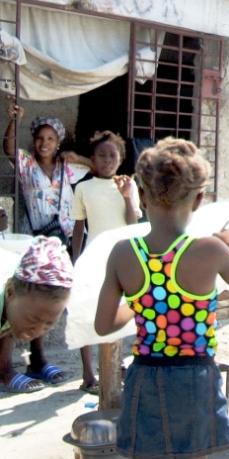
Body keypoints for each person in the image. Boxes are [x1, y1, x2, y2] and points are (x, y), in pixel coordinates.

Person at [94, 137, 229, 459]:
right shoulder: (211, 250)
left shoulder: (123, 253)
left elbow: (103, 326)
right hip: (195, 379)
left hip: (145, 378)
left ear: (141, 196)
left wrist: (141, 301)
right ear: (198, 199)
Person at [70, 131, 142, 395]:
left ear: (121, 158)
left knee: (119, 312)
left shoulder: (128, 185)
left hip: (122, 258)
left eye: (113, 155)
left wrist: (125, 195)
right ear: (92, 159)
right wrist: (75, 261)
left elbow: (132, 224)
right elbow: (78, 228)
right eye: (101, 155)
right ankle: (88, 373)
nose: (107, 159)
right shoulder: (83, 188)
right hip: (93, 258)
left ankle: (115, 364)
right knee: (86, 311)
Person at [3, 103, 91, 244]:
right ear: (34, 140)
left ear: (58, 143)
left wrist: (79, 158)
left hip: (68, 236)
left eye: (50, 139)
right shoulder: (27, 163)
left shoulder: (66, 164)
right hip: (36, 236)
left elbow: (97, 169)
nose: (44, 143)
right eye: (40, 138)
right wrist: (15, 120)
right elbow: (9, 149)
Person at [0, 236, 73, 393]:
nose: (38, 331)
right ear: (10, 292)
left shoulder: (20, 299)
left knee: (21, 318)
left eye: (49, 324)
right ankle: (3, 371)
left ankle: (36, 363)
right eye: (34, 320)